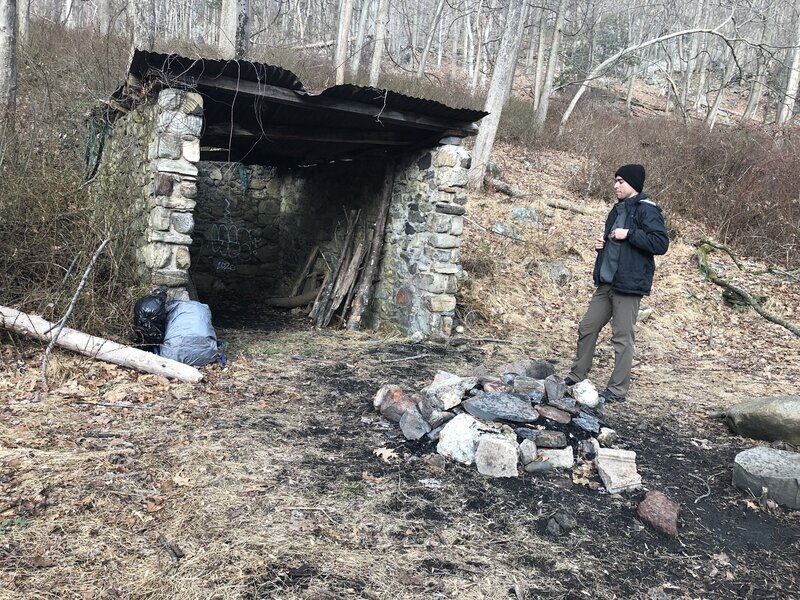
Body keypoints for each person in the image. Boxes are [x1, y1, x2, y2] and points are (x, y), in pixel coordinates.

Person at [565, 164, 669, 402]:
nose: (615, 185)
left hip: (629, 285)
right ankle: (577, 376)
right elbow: (616, 244)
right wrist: (602, 247)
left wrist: (629, 234)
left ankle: (617, 390)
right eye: (615, 181)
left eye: (621, 181)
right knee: (587, 327)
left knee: (622, 338)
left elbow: (660, 243)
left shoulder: (647, 210)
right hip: (607, 283)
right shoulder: (616, 210)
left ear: (633, 184)